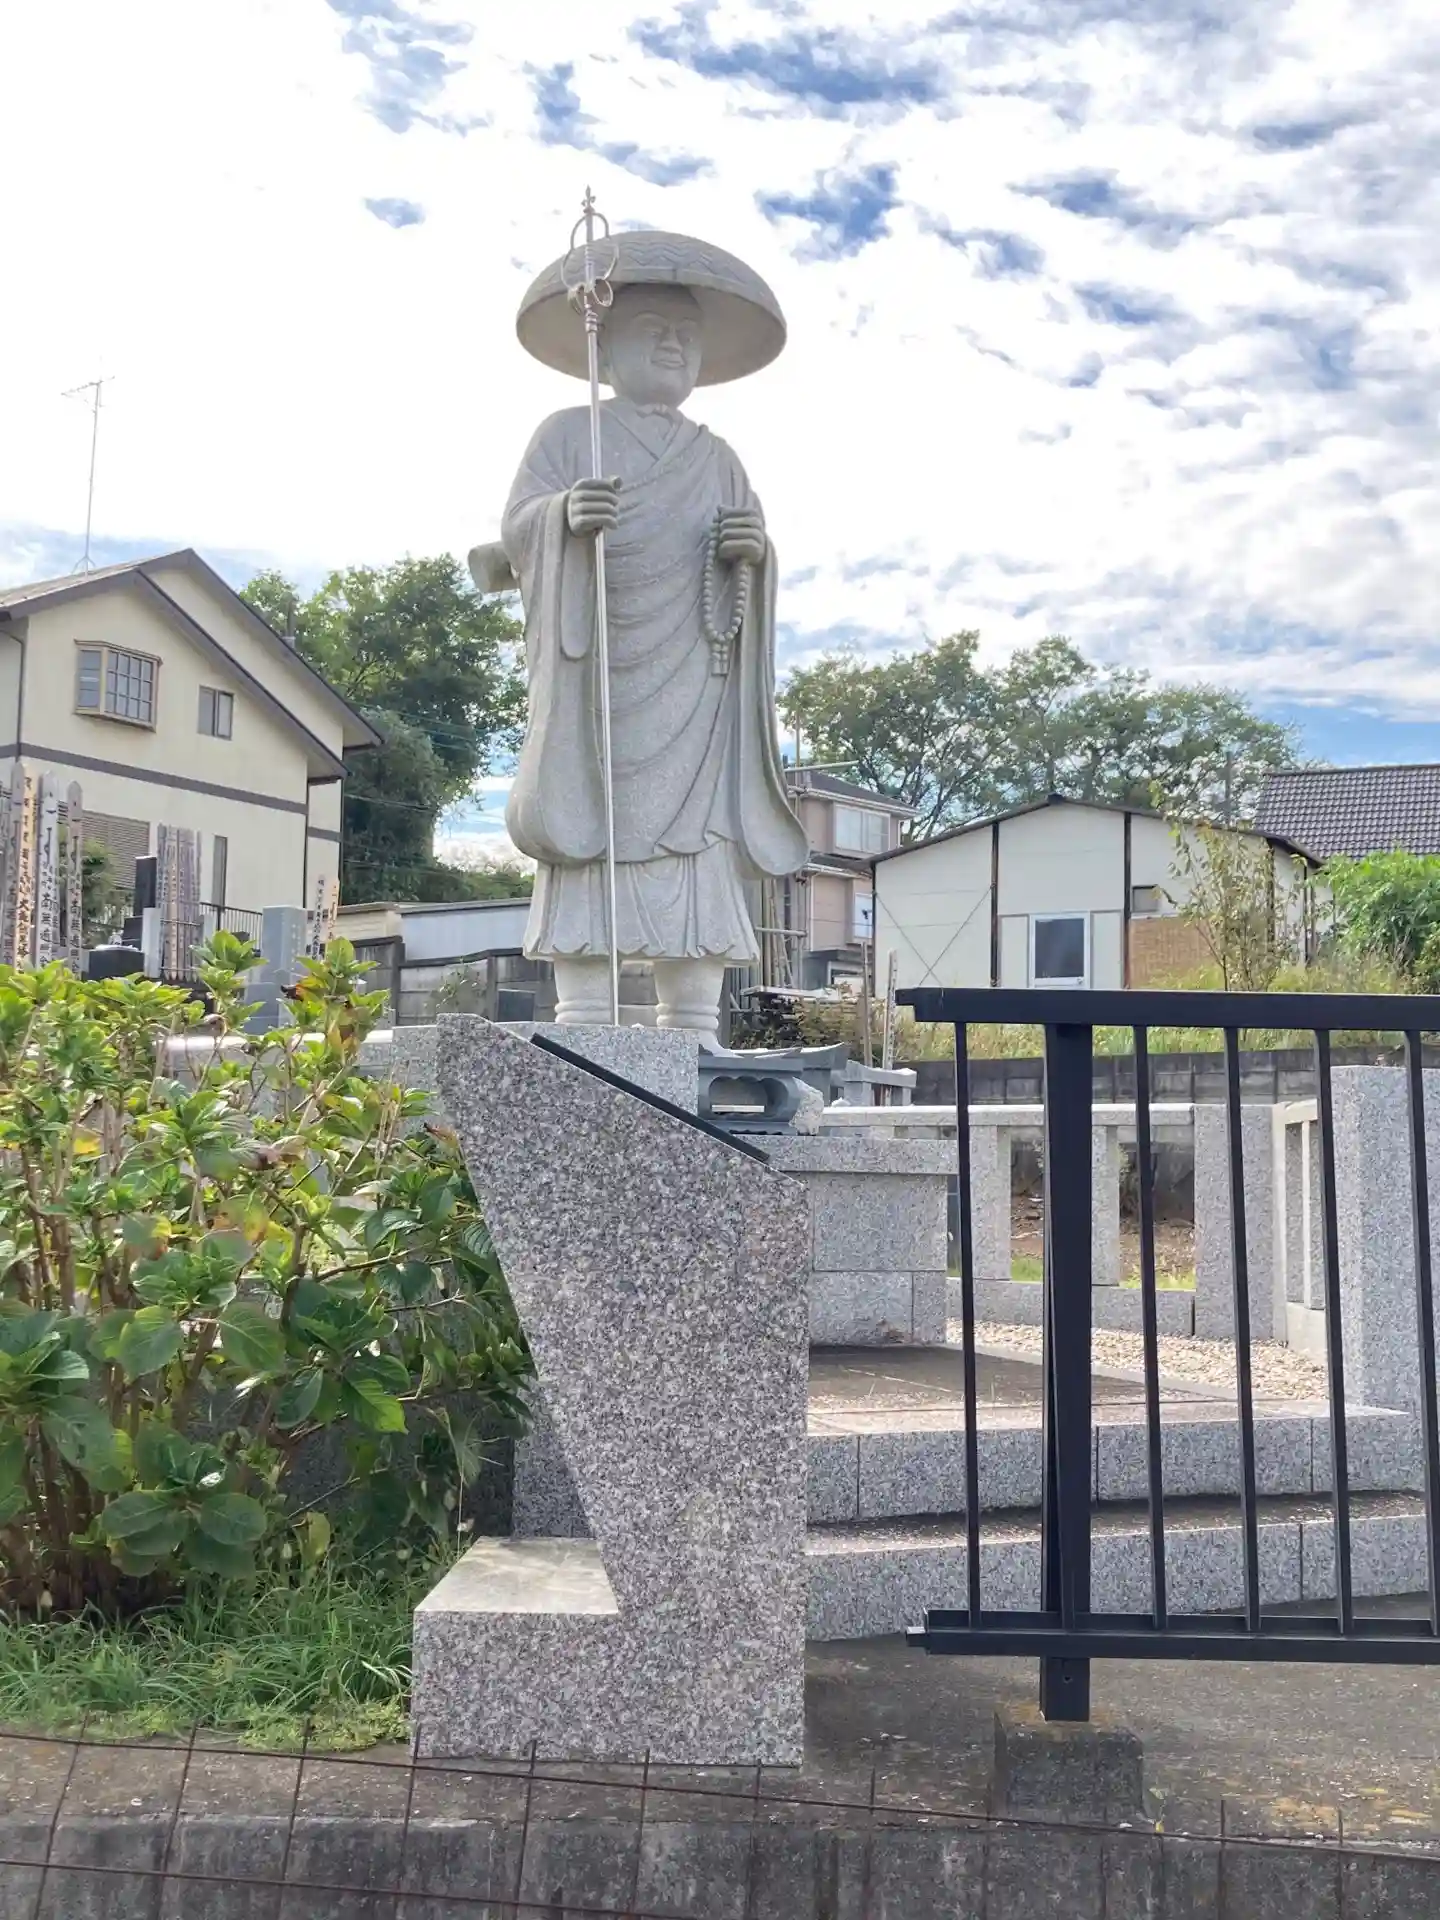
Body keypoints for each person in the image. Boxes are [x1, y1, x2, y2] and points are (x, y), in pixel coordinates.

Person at [498, 233, 808, 1037]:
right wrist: (561, 517)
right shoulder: (571, 435)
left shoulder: (719, 458)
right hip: (599, 682)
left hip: (695, 693)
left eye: (686, 336)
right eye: (653, 331)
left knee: (698, 850)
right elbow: (516, 533)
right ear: (608, 348)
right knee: (589, 835)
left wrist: (751, 553)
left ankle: (694, 1023)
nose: (673, 346)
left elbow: (749, 560)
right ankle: (584, 1019)